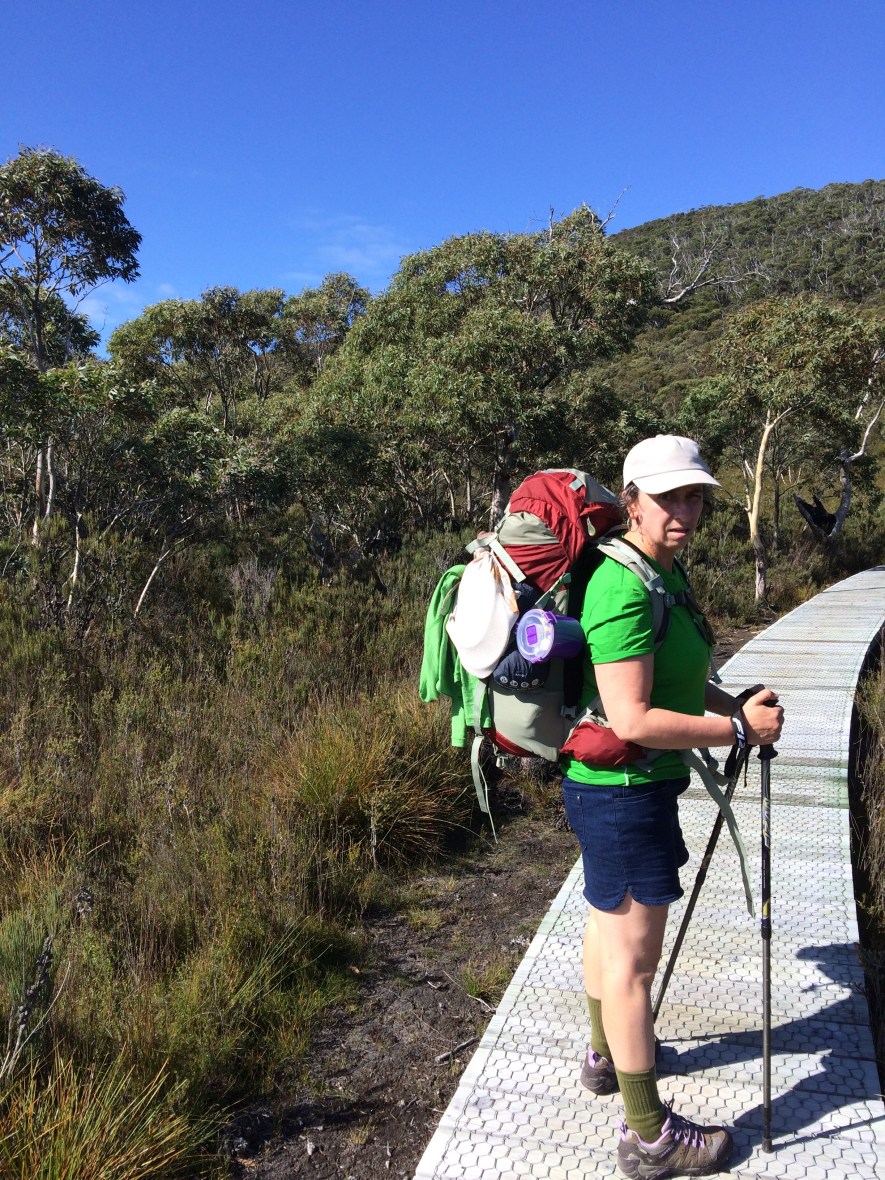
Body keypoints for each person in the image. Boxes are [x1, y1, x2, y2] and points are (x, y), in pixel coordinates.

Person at [559, 435, 784, 1179]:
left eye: (693, 495)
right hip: (622, 795)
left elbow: (675, 681)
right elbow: (630, 719)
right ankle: (648, 1138)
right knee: (633, 964)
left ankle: (601, 1057)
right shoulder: (622, 584)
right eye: (667, 497)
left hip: (618, 792)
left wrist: (731, 700)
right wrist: (733, 729)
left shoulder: (659, 569)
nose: (684, 510)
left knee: (605, 929)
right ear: (630, 500)